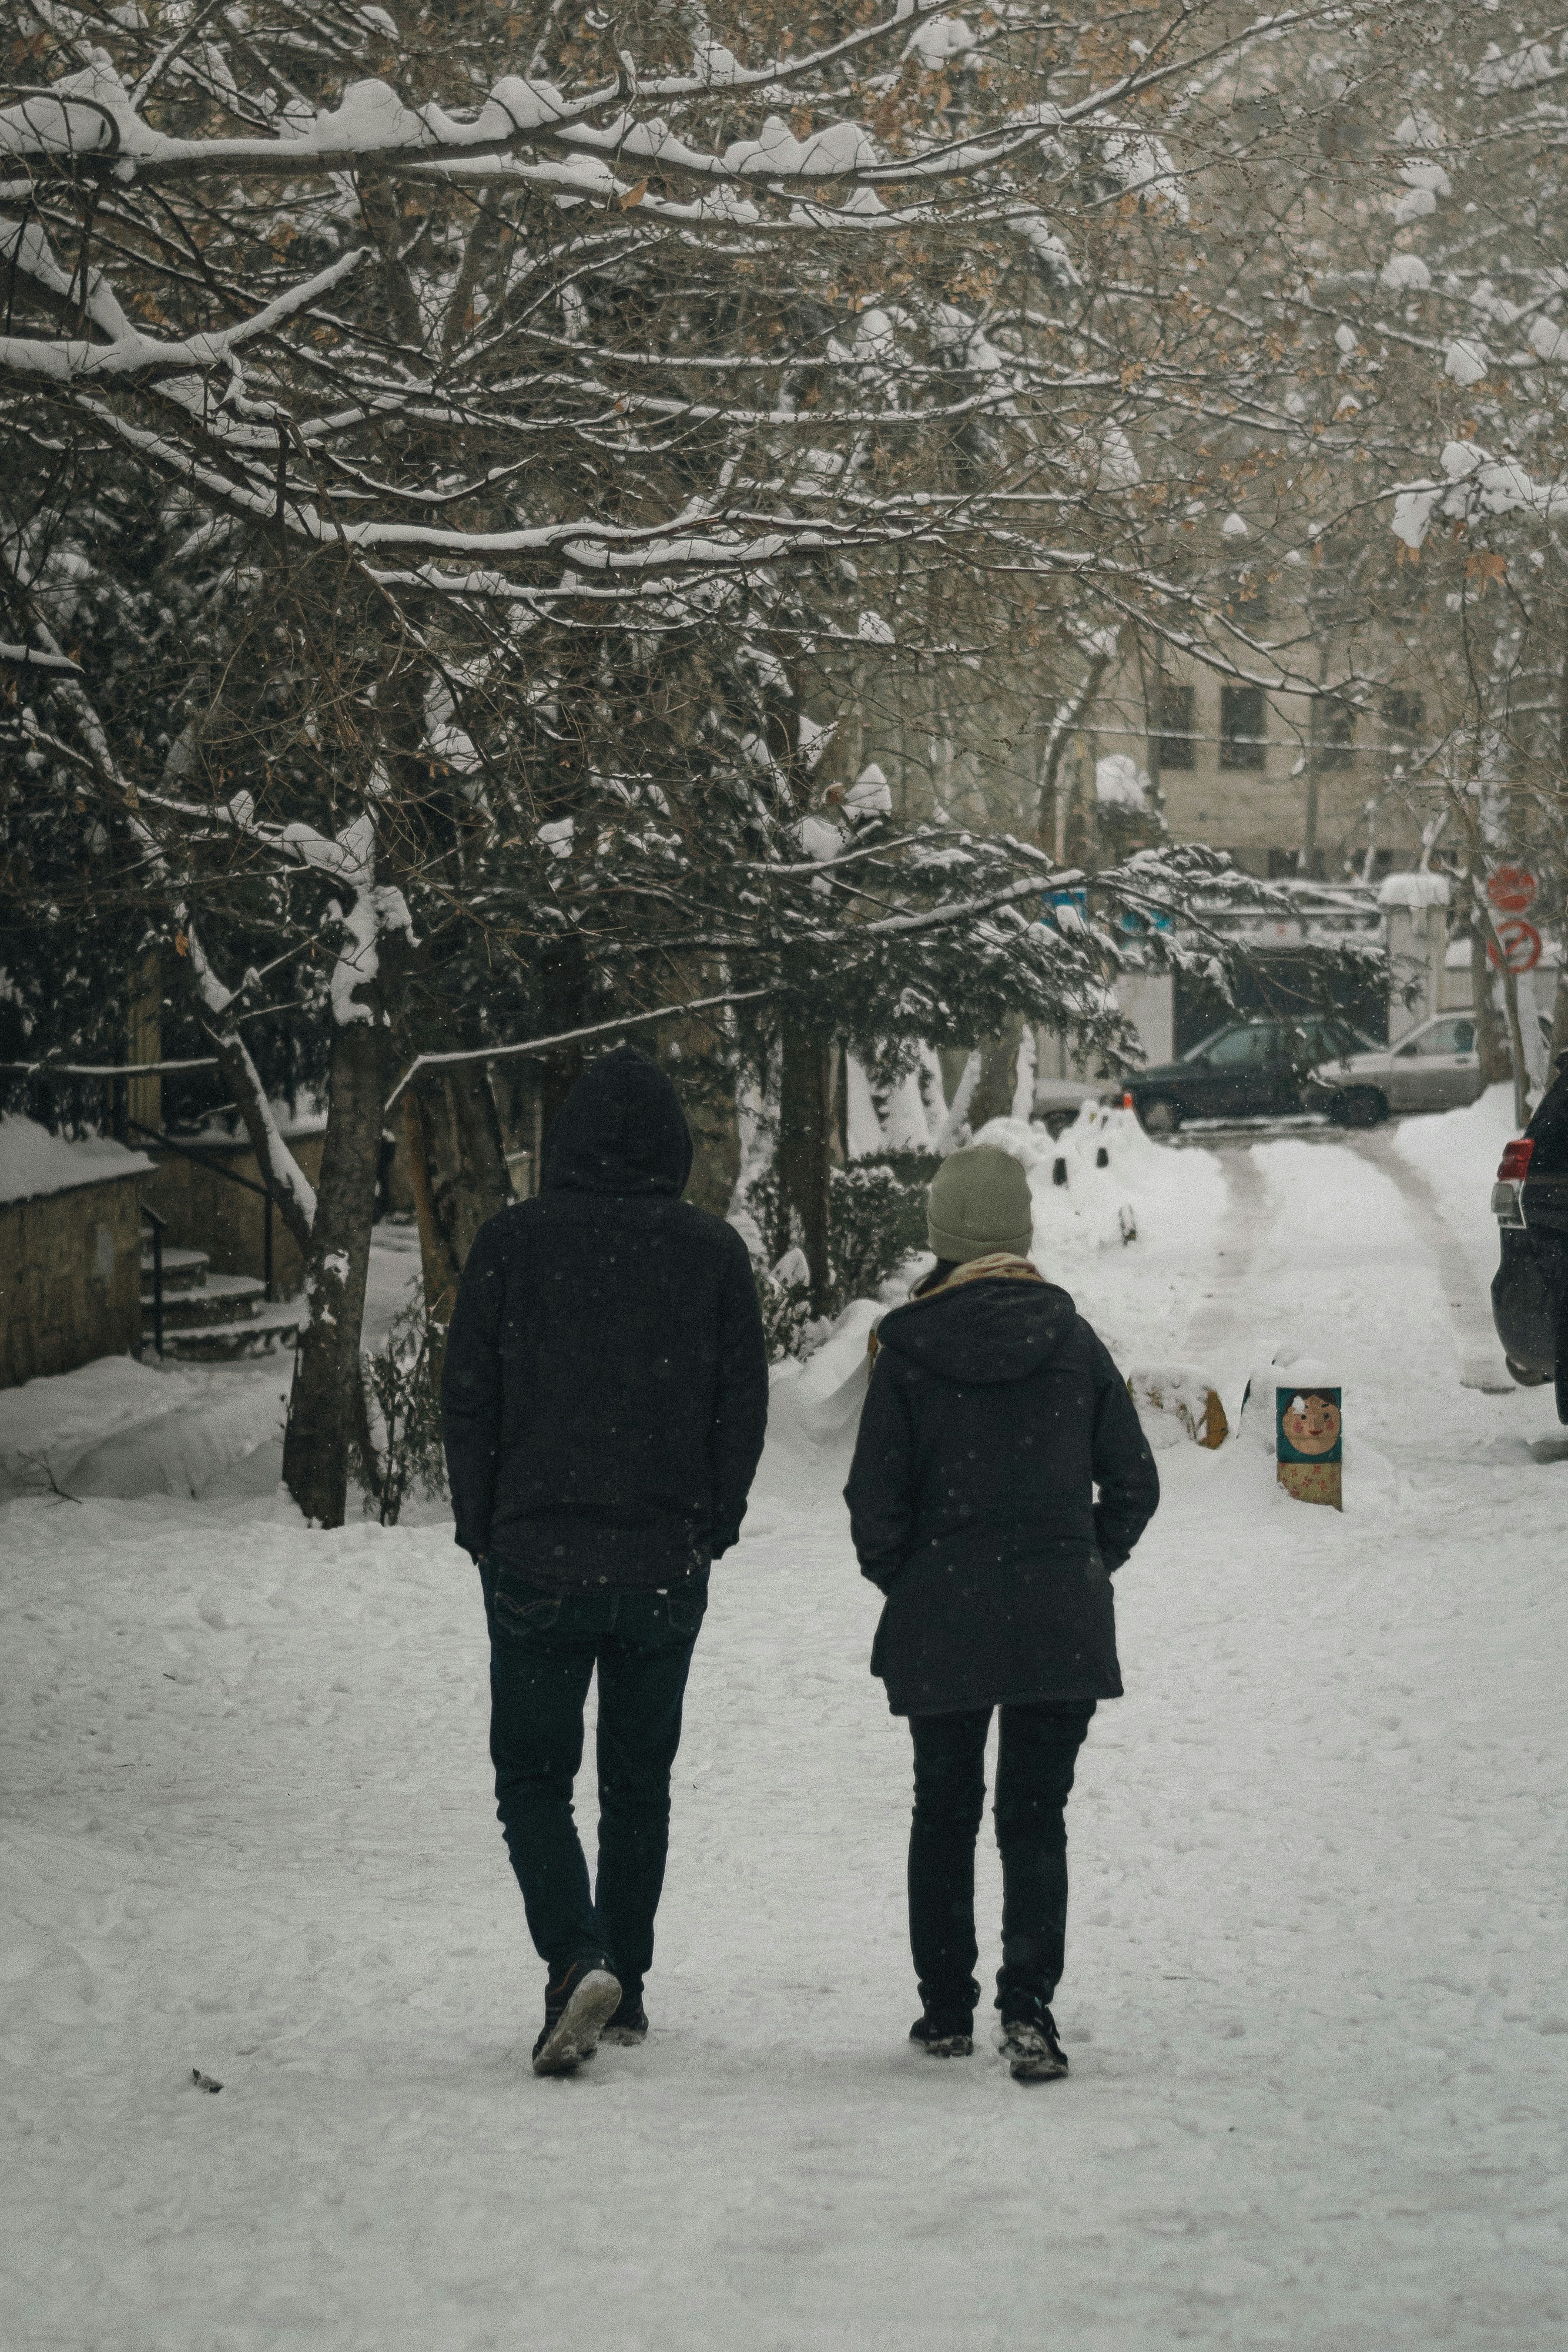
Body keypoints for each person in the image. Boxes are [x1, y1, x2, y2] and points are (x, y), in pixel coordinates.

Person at [442, 1044, 768, 2076]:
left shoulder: (512, 1245)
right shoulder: (710, 1255)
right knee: (639, 1783)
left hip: (536, 1554)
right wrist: (711, 1520)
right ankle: (623, 1977)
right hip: (662, 1564)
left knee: (532, 1779)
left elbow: (469, 1397)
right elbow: (742, 1408)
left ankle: (578, 1953)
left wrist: (481, 1521)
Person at [843, 1141, 1159, 2083]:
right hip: (1058, 1617)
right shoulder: (1072, 1337)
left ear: (941, 1233)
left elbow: (873, 1506)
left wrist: (915, 1579)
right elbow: (1135, 1483)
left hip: (944, 1617)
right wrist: (1081, 1560)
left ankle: (946, 2011)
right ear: (1021, 1232)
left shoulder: (906, 1350)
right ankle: (1028, 2010)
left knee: (942, 1809)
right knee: (1035, 1813)